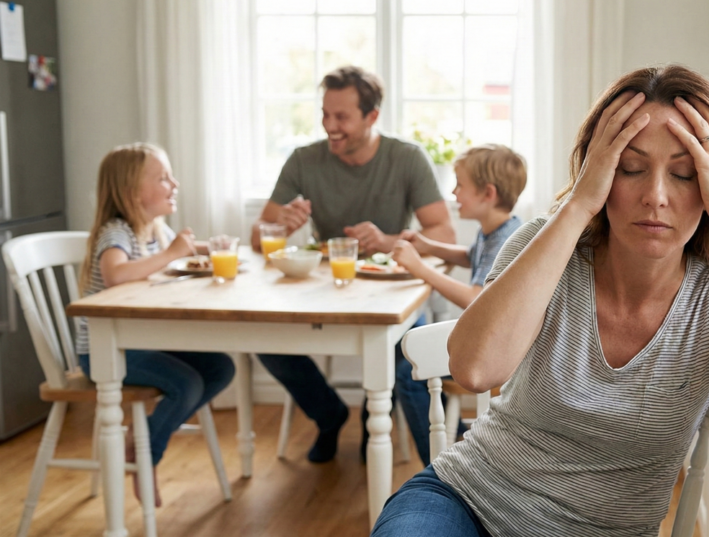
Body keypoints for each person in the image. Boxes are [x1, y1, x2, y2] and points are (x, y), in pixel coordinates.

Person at [371, 65, 709, 536]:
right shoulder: (548, 246)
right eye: (630, 168)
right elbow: (474, 368)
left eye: (684, 174)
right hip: (467, 500)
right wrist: (578, 204)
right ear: (599, 171)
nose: (655, 196)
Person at [251, 65, 456, 463]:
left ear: (372, 117)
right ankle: (329, 415)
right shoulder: (303, 160)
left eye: (341, 116)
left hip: (390, 288)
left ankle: (371, 418)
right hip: (320, 291)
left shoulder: (407, 158)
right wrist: (279, 225)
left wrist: (387, 240)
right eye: (325, 114)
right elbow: (257, 236)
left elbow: (444, 234)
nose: (330, 125)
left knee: (404, 351)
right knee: (265, 342)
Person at [76, 143, 236, 507]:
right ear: (133, 192)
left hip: (144, 342)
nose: (174, 183)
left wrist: (208, 248)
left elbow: (180, 253)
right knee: (187, 383)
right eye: (163, 178)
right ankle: (145, 455)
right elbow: (115, 273)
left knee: (220, 368)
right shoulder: (117, 232)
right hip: (105, 351)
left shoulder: (154, 230)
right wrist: (172, 254)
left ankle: (142, 434)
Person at [390, 144, 528, 465]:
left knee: (410, 375)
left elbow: (475, 299)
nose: (453, 192)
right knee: (406, 355)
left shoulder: (506, 238)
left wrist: (419, 267)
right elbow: (471, 257)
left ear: (487, 193)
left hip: (497, 351)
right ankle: (460, 445)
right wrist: (427, 245)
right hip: (492, 342)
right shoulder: (497, 230)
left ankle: (442, 464)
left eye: (460, 185)